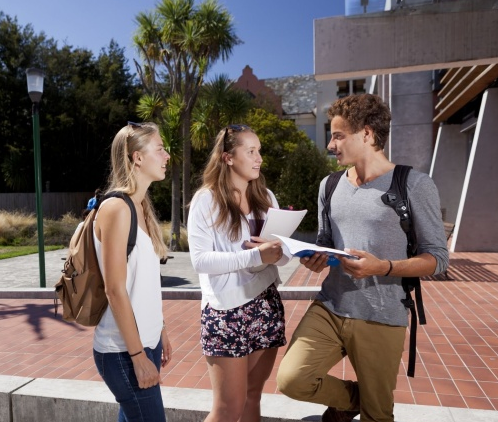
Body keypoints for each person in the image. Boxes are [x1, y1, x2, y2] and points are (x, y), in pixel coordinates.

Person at [276, 94, 449, 422]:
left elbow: (438, 258)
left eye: (338, 135)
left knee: (378, 415)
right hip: (331, 305)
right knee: (292, 379)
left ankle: (368, 402)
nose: (330, 144)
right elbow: (327, 244)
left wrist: (383, 267)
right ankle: (353, 400)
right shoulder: (329, 186)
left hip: (382, 314)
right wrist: (315, 258)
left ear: (367, 135)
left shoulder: (414, 185)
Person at [187, 124, 292, 422]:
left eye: (259, 151)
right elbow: (201, 261)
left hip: (266, 304)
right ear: (228, 158)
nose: (259, 158)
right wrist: (255, 254)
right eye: (251, 151)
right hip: (226, 311)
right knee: (227, 408)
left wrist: (280, 252)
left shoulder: (267, 196)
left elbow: (278, 259)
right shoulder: (206, 200)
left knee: (252, 397)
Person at [92, 121, 172, 421]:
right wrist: (138, 356)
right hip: (122, 352)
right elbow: (115, 289)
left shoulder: (141, 208)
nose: (166, 156)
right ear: (137, 157)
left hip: (145, 344)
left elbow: (144, 284)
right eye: (160, 149)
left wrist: (160, 328)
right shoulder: (116, 208)